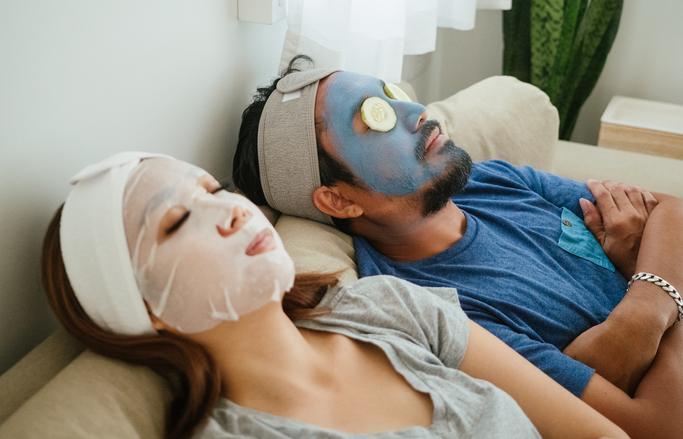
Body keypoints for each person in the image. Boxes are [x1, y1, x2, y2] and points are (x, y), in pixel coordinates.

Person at [233, 56, 683, 439]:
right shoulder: (437, 311)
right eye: (375, 116)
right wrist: (650, 293)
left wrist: (645, 300)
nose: (414, 109)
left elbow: (671, 209)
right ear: (339, 199)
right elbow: (653, 427)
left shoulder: (489, 179)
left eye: (390, 92)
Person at [42, 152, 628, 439]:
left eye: (215, 189)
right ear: (143, 310)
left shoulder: (390, 305)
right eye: (174, 222)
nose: (228, 212)